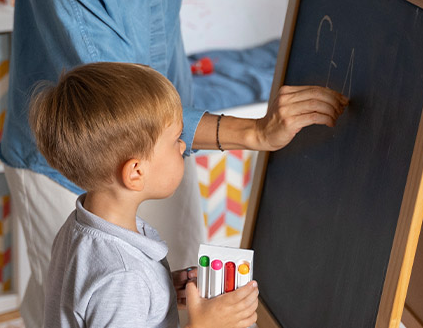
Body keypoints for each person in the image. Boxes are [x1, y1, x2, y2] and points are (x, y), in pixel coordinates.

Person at [0, 0, 350, 324]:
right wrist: (254, 133)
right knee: (79, 300)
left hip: (164, 131)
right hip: (84, 152)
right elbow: (125, 115)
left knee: (145, 289)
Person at [31, 62, 260, 328]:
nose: (183, 146)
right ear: (136, 172)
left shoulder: (78, 227)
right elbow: (117, 288)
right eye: (175, 140)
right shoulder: (124, 276)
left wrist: (160, 292)